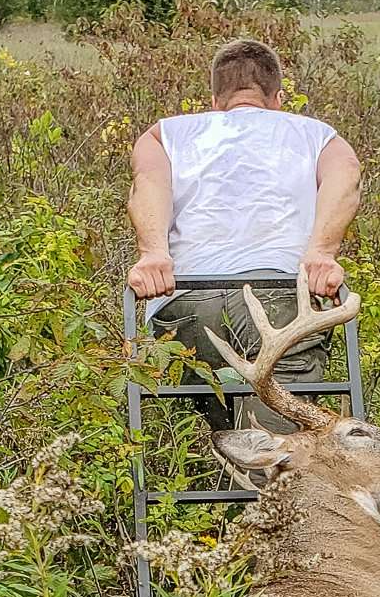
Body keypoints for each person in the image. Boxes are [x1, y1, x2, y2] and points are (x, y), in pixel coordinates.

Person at [126, 36, 362, 429]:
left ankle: (231, 484)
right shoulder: (318, 135)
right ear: (279, 100)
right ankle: (263, 486)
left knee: (218, 434)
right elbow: (347, 175)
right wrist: (321, 251)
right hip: (280, 292)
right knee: (277, 446)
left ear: (216, 103)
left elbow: (147, 183)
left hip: (184, 297)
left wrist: (153, 253)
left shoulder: (164, 135)